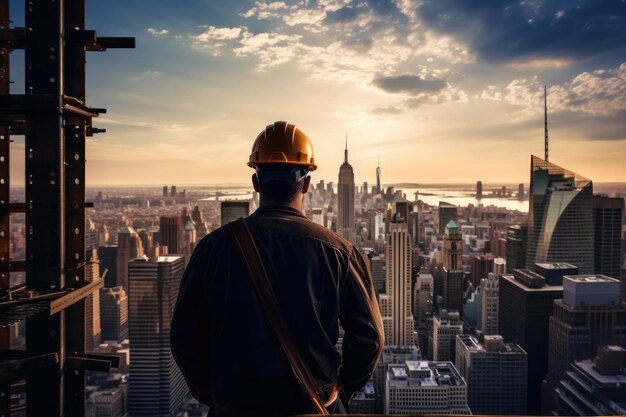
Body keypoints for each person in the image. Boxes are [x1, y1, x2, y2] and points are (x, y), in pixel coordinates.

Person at [171, 121, 384, 416]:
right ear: (307, 184)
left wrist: (214, 394)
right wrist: (338, 391)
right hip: (313, 407)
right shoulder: (339, 252)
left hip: (235, 409)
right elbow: (370, 337)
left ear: (256, 183)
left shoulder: (213, 248)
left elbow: (184, 335)